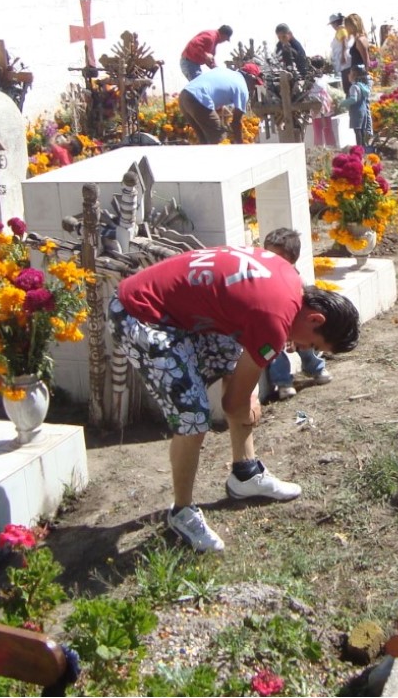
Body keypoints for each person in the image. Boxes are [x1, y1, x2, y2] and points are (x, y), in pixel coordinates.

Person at [109, 245, 360, 551]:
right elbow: (234, 404)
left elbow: (243, 362)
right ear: (316, 319)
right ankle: (182, 512)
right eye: (315, 345)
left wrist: (247, 393)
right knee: (193, 415)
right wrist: (248, 406)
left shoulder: (291, 281)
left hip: (169, 305)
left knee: (232, 356)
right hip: (139, 312)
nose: (305, 349)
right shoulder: (273, 322)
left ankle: (246, 473)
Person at [259, 227, 331, 400]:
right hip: (270, 327)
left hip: (293, 325)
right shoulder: (262, 277)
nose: (271, 261)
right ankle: (283, 382)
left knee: (305, 344)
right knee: (271, 351)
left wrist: (292, 335)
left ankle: (315, 368)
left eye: (278, 257)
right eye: (268, 255)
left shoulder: (296, 280)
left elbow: (302, 308)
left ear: (292, 259)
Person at [178, 63, 258, 144]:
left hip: (184, 96)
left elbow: (214, 88)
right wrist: (240, 145)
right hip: (199, 98)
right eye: (255, 82)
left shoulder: (225, 71)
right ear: (251, 77)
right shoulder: (243, 89)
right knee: (219, 138)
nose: (254, 86)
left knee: (204, 140)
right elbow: (236, 123)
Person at [339, 65, 373, 149]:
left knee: (357, 131)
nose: (348, 75)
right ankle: (364, 148)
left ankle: (359, 149)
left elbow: (353, 99)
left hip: (356, 112)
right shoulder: (362, 86)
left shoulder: (353, 87)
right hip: (363, 111)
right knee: (362, 131)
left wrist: (342, 103)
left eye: (350, 73)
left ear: (354, 75)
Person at [343, 14, 371, 91]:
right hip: (357, 75)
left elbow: (366, 61)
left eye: (347, 25)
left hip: (359, 77)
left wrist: (362, 77)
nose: (346, 28)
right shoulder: (361, 38)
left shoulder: (359, 40)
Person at [328, 13, 349, 88]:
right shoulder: (339, 31)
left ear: (336, 22)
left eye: (332, 24)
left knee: (346, 79)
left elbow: (344, 42)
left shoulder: (341, 30)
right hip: (339, 59)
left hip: (342, 59)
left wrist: (343, 55)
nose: (332, 26)